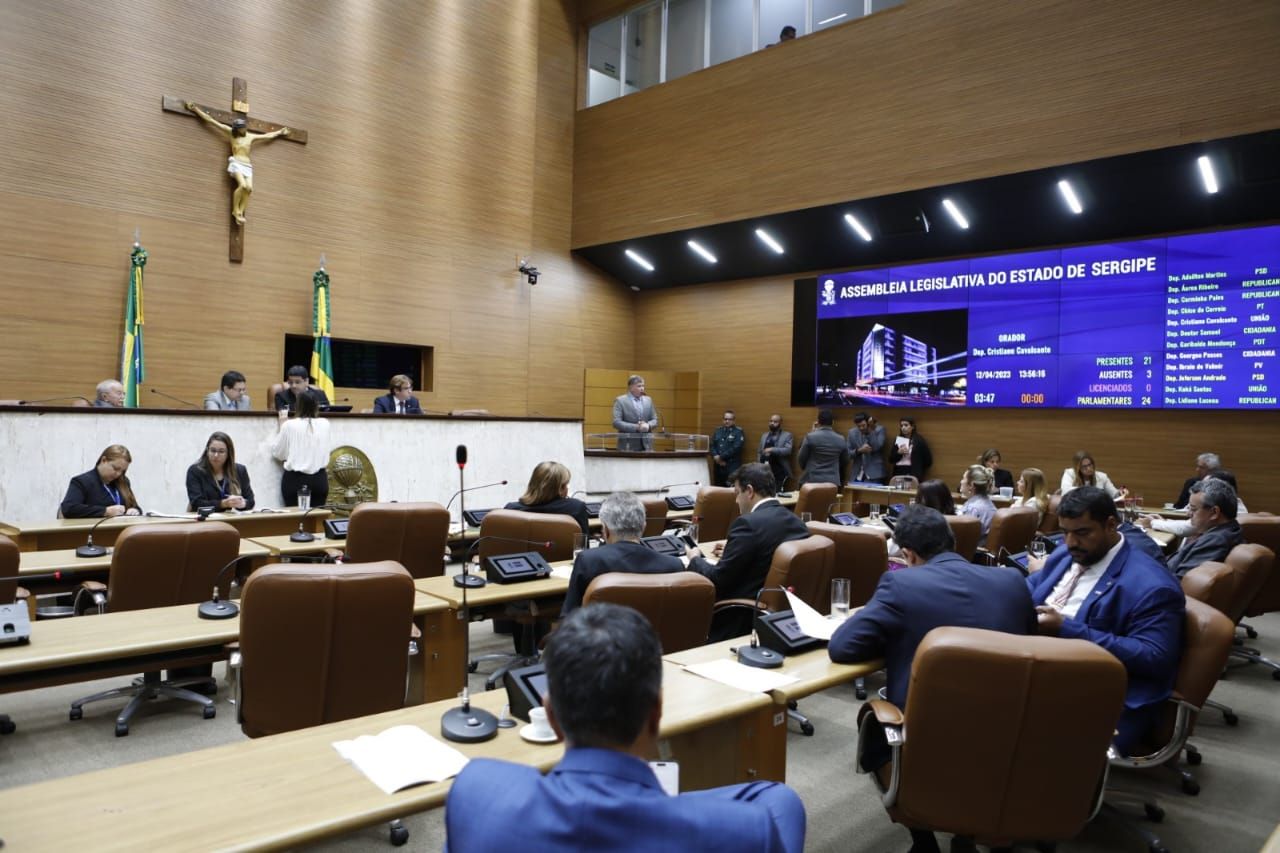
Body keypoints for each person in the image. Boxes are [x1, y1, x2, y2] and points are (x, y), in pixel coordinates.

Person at [445, 603, 806, 853]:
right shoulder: (747, 830)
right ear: (657, 712)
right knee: (782, 799)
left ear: (551, 716)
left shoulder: (476, 792)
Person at [829, 505, 1034, 852]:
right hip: (1010, 739)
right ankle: (965, 838)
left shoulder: (900, 583)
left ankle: (923, 843)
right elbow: (1030, 640)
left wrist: (891, 634)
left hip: (930, 745)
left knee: (875, 728)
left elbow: (843, 646)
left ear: (908, 554)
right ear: (950, 541)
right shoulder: (1012, 581)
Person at [1026, 487, 1184, 756]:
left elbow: (1155, 656)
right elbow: (1032, 587)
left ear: (1111, 525)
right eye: (1065, 532)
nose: (1071, 542)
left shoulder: (1153, 586)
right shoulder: (1067, 554)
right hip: (1042, 665)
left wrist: (1066, 628)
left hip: (1099, 692)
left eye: (1082, 532)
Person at [687, 463, 809, 640]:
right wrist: (735, 550)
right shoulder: (797, 522)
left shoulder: (747, 524)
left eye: (737, 493)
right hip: (785, 619)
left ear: (749, 491)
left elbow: (718, 580)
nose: (736, 501)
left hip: (740, 619)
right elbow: (769, 553)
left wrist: (694, 559)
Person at [561, 491, 684, 614]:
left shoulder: (588, 561)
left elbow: (569, 615)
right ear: (643, 526)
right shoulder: (674, 565)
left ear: (605, 530)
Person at [185, 101, 292, 224]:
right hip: (236, 163)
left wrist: (280, 132)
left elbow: (267, 136)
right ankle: (235, 211)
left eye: (245, 127)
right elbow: (212, 121)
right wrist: (195, 109)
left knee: (249, 189)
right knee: (243, 186)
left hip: (247, 166)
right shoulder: (231, 134)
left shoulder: (250, 137)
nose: (245, 129)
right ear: (238, 129)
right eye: (243, 128)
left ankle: (241, 211)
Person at [1166, 478, 1244, 578]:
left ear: (1214, 512)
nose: (1188, 514)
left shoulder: (1217, 541)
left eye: (1193, 509)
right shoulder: (1227, 530)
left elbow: (1181, 580)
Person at [1139, 468, 1248, 537]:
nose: (1200, 487)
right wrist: (1164, 521)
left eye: (1206, 485)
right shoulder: (1221, 521)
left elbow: (1187, 527)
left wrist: (1154, 523)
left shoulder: (1220, 534)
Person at [269, 390, 330, 506]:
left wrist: (282, 426)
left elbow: (278, 453)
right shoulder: (325, 424)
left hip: (295, 480)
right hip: (320, 480)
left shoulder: (289, 425)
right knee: (317, 516)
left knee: (295, 516)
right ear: (316, 405)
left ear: (297, 405)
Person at [504, 460, 591, 536]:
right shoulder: (576, 508)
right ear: (560, 488)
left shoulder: (510, 509)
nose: (567, 488)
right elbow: (583, 545)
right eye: (566, 485)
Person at [61, 445, 141, 518]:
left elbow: (135, 506)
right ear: (104, 460)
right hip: (93, 528)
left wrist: (135, 510)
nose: (118, 474)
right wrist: (105, 511)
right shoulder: (82, 481)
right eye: (115, 468)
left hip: (122, 527)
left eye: (122, 471)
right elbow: (68, 508)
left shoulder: (123, 481)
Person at [186, 431, 255, 512]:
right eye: (213, 450)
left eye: (221, 451)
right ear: (207, 451)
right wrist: (223, 504)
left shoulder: (240, 470)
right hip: (204, 518)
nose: (216, 455)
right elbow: (196, 504)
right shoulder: (195, 471)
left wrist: (243, 503)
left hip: (231, 517)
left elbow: (250, 501)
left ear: (228, 454)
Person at [797, 409, 848, 486]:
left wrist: (806, 468)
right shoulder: (841, 439)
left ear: (818, 422)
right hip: (832, 482)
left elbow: (801, 458)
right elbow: (845, 460)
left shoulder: (810, 437)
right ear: (833, 422)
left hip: (811, 479)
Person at [611, 374, 658, 451]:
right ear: (631, 387)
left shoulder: (648, 400)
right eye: (639, 386)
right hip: (628, 446)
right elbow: (616, 422)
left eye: (643, 386)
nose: (642, 388)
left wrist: (648, 425)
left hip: (647, 446)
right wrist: (636, 427)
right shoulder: (620, 401)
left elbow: (655, 420)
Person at [1060, 450, 1127, 500]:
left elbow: (1114, 495)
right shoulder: (1069, 474)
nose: (1089, 468)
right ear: (1078, 468)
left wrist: (1120, 493)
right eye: (1084, 466)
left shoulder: (1102, 477)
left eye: (1090, 464)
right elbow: (1065, 491)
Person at [958, 464, 996, 545]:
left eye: (963, 478)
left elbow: (963, 538)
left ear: (971, 485)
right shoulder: (988, 503)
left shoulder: (973, 508)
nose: (961, 481)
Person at [847, 412, 887, 484]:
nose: (861, 428)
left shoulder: (879, 430)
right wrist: (859, 451)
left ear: (868, 423)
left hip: (875, 473)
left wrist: (870, 431)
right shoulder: (852, 432)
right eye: (858, 426)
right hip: (857, 473)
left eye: (863, 425)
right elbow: (848, 454)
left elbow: (877, 447)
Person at [710, 410, 746, 486]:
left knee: (730, 489)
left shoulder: (738, 432)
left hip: (731, 466)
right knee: (717, 488)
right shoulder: (718, 431)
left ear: (734, 421)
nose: (727, 421)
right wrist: (715, 456)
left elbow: (736, 448)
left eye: (730, 419)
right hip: (718, 466)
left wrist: (720, 457)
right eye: (725, 419)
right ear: (722, 420)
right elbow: (712, 445)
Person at [758, 413, 794, 490]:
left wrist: (772, 449)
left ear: (780, 423)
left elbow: (788, 450)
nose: (772, 423)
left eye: (775, 422)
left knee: (776, 492)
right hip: (764, 470)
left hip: (779, 470)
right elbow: (759, 451)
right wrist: (759, 464)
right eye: (771, 421)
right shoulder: (764, 435)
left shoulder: (787, 435)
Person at [890, 417, 932, 481]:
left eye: (906, 425)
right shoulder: (898, 439)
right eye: (901, 426)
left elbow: (928, 460)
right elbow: (891, 459)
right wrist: (898, 453)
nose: (903, 428)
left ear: (912, 427)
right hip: (898, 472)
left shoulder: (919, 440)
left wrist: (918, 468)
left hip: (913, 472)